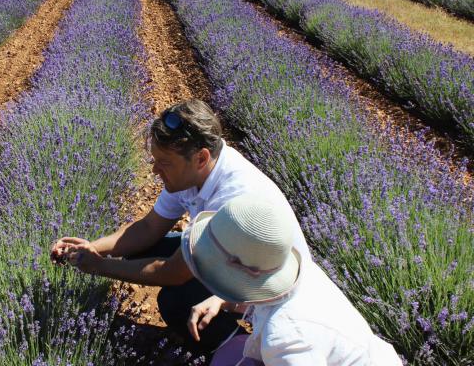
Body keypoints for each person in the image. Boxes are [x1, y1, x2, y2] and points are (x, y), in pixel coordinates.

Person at [50, 99, 311, 351]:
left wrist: (100, 266)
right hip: (233, 263)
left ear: (200, 158)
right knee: (138, 252)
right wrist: (92, 248)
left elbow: (174, 272)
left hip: (270, 293)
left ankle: (238, 350)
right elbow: (149, 227)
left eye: (163, 163)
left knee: (175, 302)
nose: (154, 170)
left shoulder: (232, 199)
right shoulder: (189, 173)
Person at [182, 194, 403, 366]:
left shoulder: (285, 337)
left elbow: (288, 330)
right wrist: (223, 300)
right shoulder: (296, 269)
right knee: (228, 355)